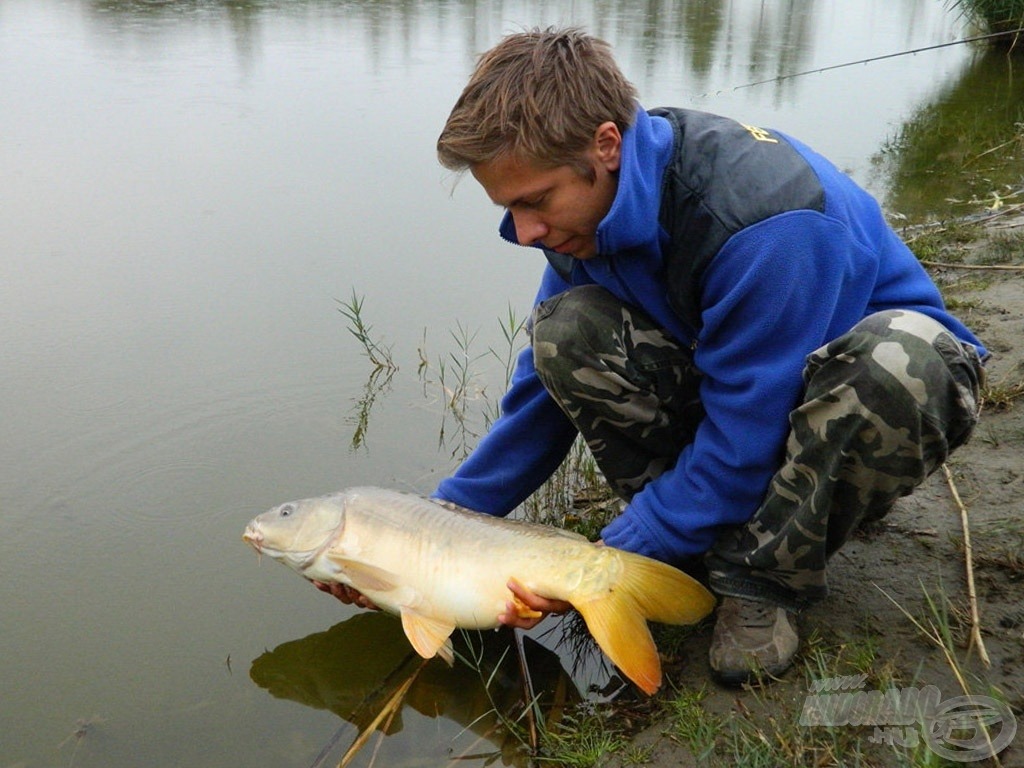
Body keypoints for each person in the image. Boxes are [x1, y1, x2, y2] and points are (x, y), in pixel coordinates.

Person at [319, 27, 987, 686]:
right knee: (565, 331)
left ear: (605, 145)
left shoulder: (761, 222)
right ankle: (687, 545)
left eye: (534, 203)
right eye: (507, 208)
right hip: (745, 388)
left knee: (901, 362)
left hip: (867, 389)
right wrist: (433, 528)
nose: (523, 234)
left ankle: (764, 577)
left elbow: (747, 432)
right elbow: (540, 403)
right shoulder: (589, 210)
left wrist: (606, 560)